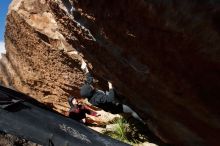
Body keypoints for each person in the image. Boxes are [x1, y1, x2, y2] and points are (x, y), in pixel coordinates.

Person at [79, 59, 145, 124]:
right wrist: (110, 86)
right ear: (91, 92)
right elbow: (110, 98)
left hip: (107, 98)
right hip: (114, 107)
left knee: (120, 98)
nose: (91, 86)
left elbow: (89, 80)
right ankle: (143, 121)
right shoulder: (97, 99)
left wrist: (85, 68)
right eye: (91, 87)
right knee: (131, 110)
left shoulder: (88, 93)